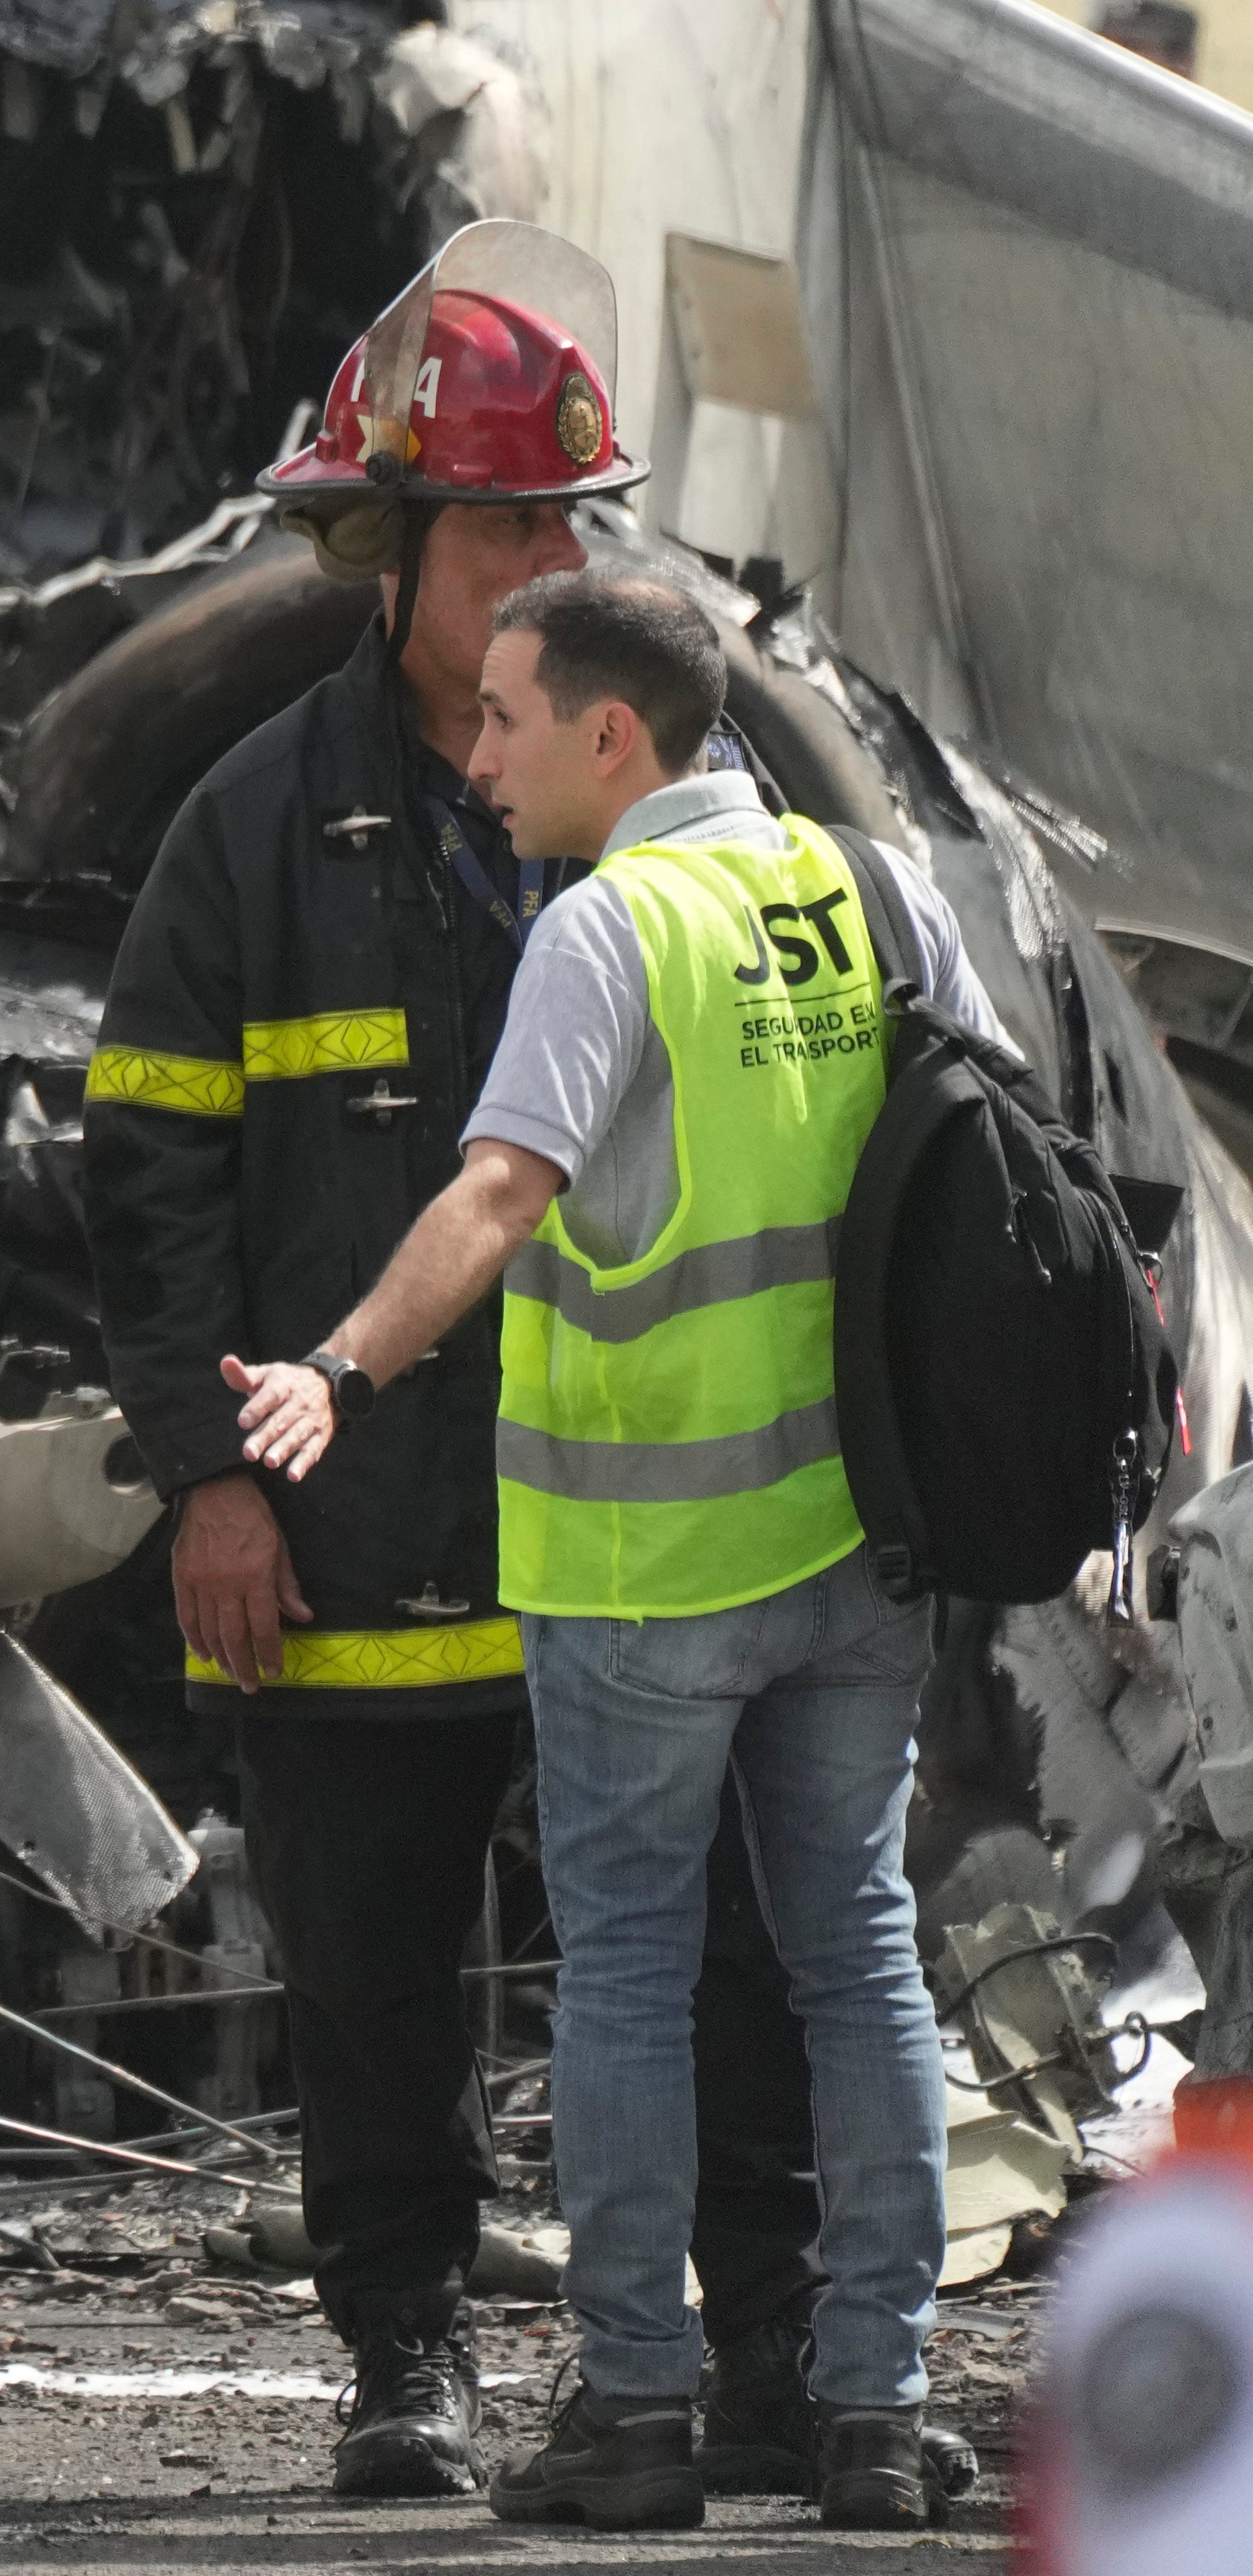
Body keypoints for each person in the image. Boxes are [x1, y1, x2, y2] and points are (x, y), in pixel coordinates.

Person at [82, 227, 855, 2503]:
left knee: (726, 1963)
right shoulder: (245, 837)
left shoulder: (681, 819)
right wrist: (209, 1482)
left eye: (568, 516)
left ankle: (775, 2343)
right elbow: (150, 1193)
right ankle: (405, 2355)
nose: (556, 555)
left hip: (655, 1522)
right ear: (392, 547)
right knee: (376, 1973)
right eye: (514, 519)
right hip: (361, 1523)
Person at [224, 565, 972, 2534]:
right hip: (864, 1547)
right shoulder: (873, 894)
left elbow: (495, 1192)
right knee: (862, 1957)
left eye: (505, 719)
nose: (474, 755)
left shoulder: (606, 929)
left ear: (613, 737)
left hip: (652, 1558)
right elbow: (994, 1163)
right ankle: (875, 2408)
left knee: (629, 1976)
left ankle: (636, 2412)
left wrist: (342, 1366)